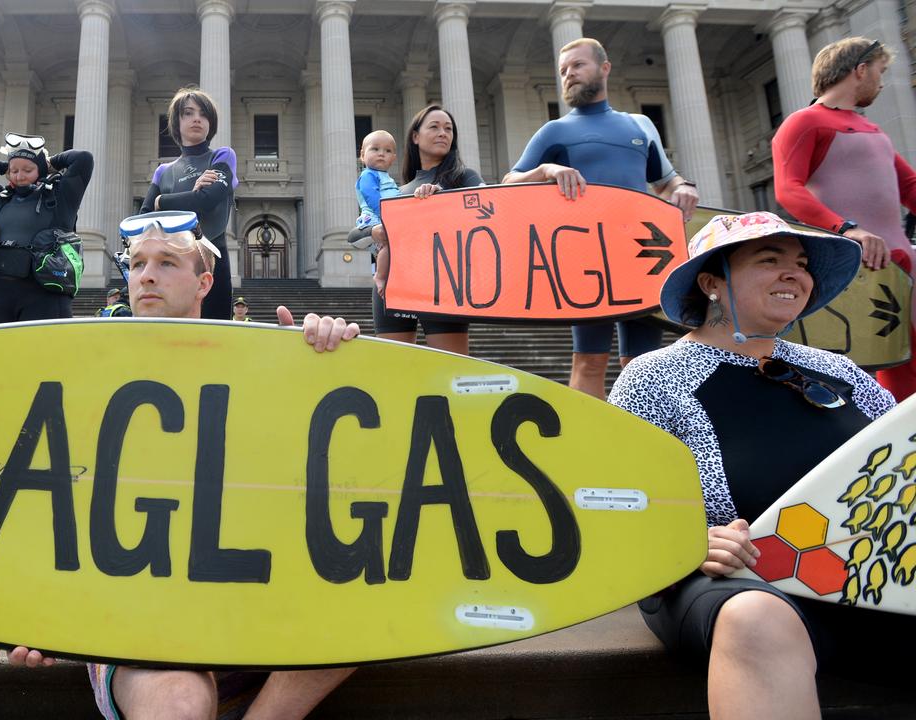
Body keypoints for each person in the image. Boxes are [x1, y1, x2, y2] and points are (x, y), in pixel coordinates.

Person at [0, 210, 359, 719]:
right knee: (178, 704)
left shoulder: (266, 361)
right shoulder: (80, 374)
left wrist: (327, 362)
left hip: (261, 600)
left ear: (205, 281)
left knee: (368, 601)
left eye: (166, 262)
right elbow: (39, 495)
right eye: (137, 263)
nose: (147, 275)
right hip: (140, 613)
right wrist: (12, 602)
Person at [609, 211, 910, 718]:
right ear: (712, 283)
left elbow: (903, 467)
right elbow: (610, 499)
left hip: (868, 577)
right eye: (770, 260)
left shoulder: (839, 371)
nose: (794, 273)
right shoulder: (653, 376)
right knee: (756, 616)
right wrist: (685, 539)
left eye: (801, 264)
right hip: (724, 580)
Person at [503, 38, 700, 400]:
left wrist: (683, 186)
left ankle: (642, 446)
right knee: (589, 361)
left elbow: (665, 180)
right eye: (563, 71)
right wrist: (546, 169)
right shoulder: (554, 131)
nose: (569, 75)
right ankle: (585, 448)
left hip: (642, 260)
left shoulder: (639, 125)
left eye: (577, 66)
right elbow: (507, 183)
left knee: (642, 365)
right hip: (586, 264)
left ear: (604, 68)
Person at [772, 36, 916, 402]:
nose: (882, 83)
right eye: (880, 72)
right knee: (864, 372)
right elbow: (789, 189)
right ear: (860, 69)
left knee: (909, 365)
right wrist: (848, 229)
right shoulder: (804, 122)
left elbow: (910, 186)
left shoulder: (873, 130)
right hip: (853, 267)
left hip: (903, 264)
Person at [366, 104, 484, 356]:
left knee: (451, 370)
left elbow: (488, 205)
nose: (443, 133)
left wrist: (447, 200)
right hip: (393, 285)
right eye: (435, 127)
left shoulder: (465, 177)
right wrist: (375, 231)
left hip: (443, 282)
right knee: (396, 369)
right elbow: (357, 233)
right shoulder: (399, 190)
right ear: (415, 136)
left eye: (448, 129)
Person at [0, 132, 93, 325]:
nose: (19, 176)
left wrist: (49, 162)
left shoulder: (61, 198)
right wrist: (6, 165)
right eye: (14, 171)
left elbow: (84, 159)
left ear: (40, 170)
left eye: (27, 170)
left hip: (45, 296)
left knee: (44, 355)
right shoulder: (1, 199)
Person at [140, 87, 237, 321]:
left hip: (213, 259)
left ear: (210, 123)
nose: (197, 118)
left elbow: (208, 200)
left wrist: (161, 201)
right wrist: (192, 196)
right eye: (188, 113)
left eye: (203, 114)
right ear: (177, 121)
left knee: (215, 335)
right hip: (172, 263)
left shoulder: (222, 156)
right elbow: (143, 217)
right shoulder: (164, 171)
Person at [352, 130, 401, 296]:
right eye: (375, 149)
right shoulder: (368, 175)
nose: (381, 154)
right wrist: (385, 215)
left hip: (387, 216)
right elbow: (371, 196)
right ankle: (380, 276)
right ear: (362, 155)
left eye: (387, 151)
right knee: (387, 246)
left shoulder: (386, 177)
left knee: (389, 248)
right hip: (375, 217)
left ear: (393, 158)